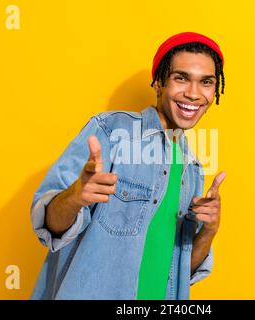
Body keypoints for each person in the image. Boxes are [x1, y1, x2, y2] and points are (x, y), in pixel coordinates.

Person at [30, 31, 226, 300]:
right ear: (158, 82)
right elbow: (48, 224)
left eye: (206, 82)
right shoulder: (111, 131)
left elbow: (181, 271)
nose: (193, 93)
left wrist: (210, 231)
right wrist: (75, 197)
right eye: (181, 78)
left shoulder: (192, 168)